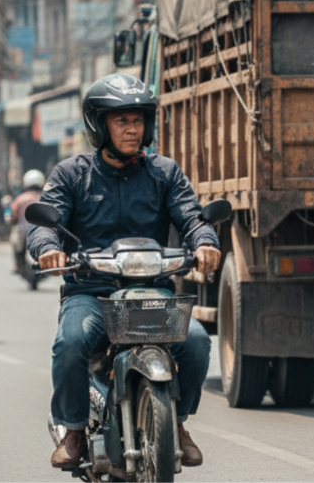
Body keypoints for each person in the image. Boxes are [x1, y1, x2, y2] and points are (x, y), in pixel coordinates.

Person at [28, 74, 221, 470]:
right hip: (92, 293)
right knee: (70, 342)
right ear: (99, 125)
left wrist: (205, 242)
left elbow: (192, 216)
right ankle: (74, 430)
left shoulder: (164, 172)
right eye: (121, 121)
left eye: (138, 120)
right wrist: (47, 249)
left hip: (151, 294)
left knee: (197, 341)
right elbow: (44, 224)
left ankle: (177, 423)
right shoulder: (71, 174)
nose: (133, 129)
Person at [9, 170, 45, 273]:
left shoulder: (20, 199)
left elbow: (13, 215)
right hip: (42, 230)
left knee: (16, 244)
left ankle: (17, 265)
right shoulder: (45, 198)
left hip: (23, 231)